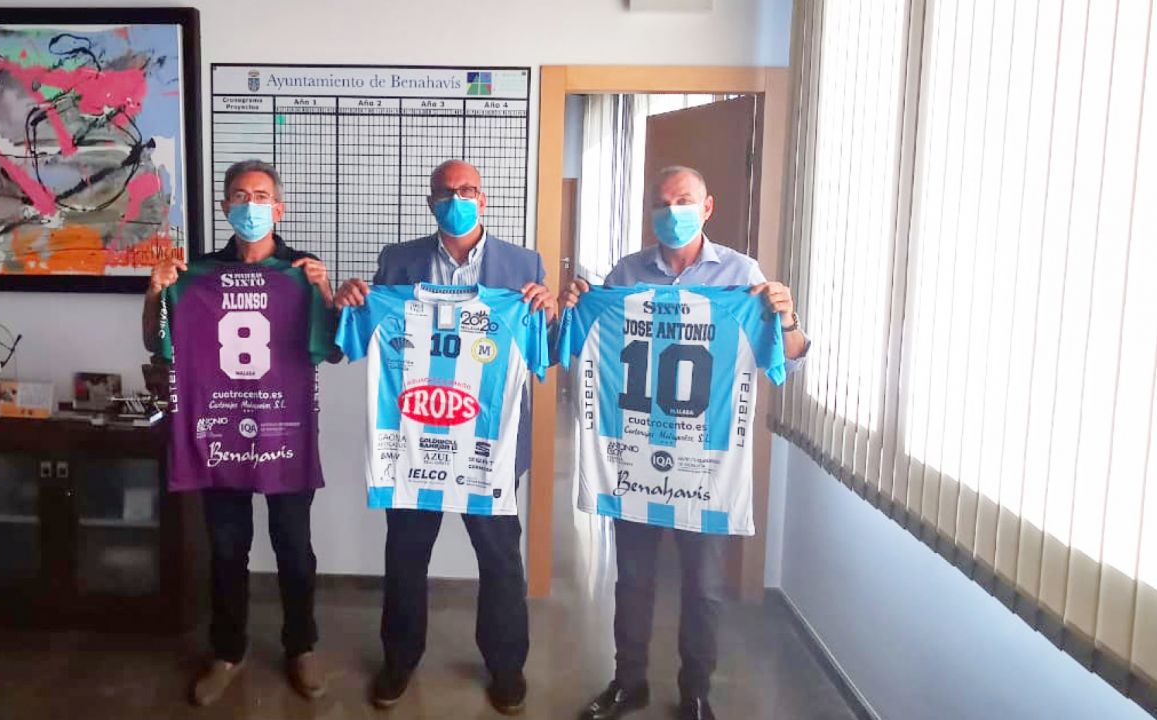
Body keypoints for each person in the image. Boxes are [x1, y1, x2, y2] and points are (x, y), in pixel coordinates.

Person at [563, 166, 810, 720]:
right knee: (633, 580)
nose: (672, 210)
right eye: (662, 201)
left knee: (704, 587)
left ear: (707, 207)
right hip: (634, 455)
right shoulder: (626, 272)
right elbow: (584, 345)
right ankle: (628, 682)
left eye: (684, 200)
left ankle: (695, 692)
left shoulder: (741, 274)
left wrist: (787, 316)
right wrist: (576, 304)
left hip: (707, 462)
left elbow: (787, 359)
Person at [334, 159, 555, 715]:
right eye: (445, 191)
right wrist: (351, 301)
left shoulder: (524, 264)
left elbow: (543, 351)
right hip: (414, 439)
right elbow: (364, 335)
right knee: (406, 555)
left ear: (484, 197)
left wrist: (549, 312)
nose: (457, 199)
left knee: (500, 559)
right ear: (430, 201)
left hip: (489, 443)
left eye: (467, 190)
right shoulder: (397, 261)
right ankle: (399, 659)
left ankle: (506, 666)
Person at [143, 159, 335, 706]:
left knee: (294, 547)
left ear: (279, 208)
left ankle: (302, 646)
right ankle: (227, 651)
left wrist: (324, 293)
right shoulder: (197, 273)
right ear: (225, 205)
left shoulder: (301, 270)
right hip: (220, 429)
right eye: (240, 196)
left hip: (284, 430)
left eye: (261, 196)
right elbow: (157, 344)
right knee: (227, 550)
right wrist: (155, 293)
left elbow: (332, 347)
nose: (251, 206)